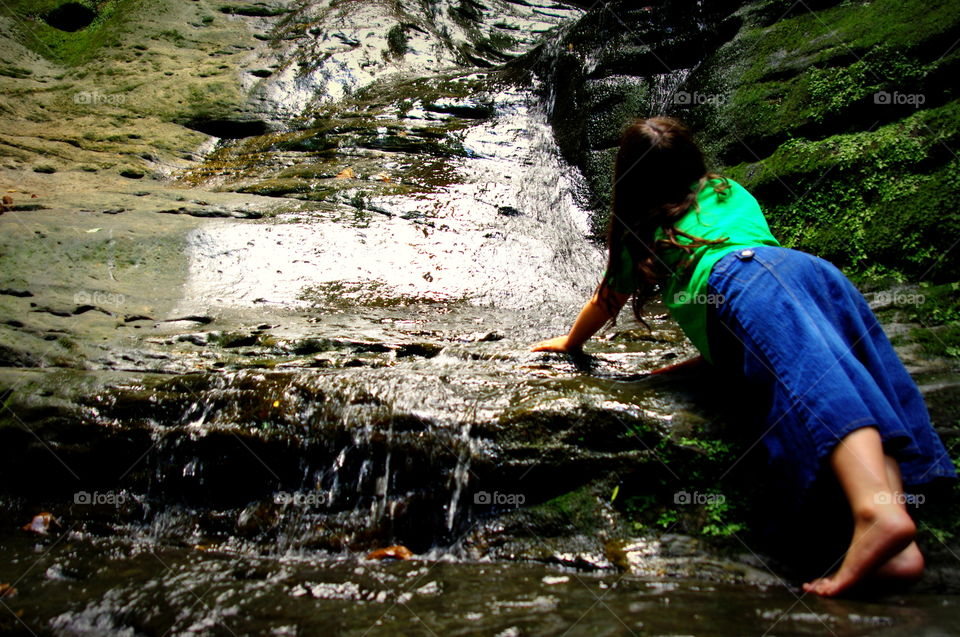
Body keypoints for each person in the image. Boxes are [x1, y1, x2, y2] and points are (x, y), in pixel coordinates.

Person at [531, 117, 956, 597]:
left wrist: (570, 344)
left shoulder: (640, 229)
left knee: (816, 382)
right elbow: (762, 299)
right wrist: (717, 361)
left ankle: (875, 515)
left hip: (746, 279)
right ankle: (897, 543)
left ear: (629, 179)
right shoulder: (725, 189)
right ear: (692, 161)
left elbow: (606, 299)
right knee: (860, 378)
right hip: (812, 274)